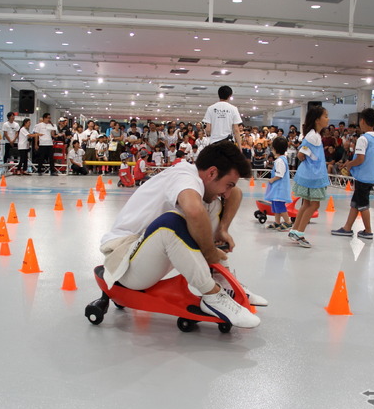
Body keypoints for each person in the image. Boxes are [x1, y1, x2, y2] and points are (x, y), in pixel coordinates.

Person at [99, 141, 264, 328]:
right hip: (125, 263)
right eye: (228, 184)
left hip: (150, 254)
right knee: (170, 223)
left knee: (214, 204)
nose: (227, 192)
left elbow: (235, 194)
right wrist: (209, 252)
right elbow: (193, 211)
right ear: (211, 173)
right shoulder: (185, 177)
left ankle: (224, 283)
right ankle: (212, 295)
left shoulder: (203, 180)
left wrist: (222, 229)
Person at [331, 108, 374, 240]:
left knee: (363, 204)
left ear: (362, 121)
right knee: (356, 202)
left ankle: (368, 230)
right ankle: (347, 227)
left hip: (363, 176)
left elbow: (360, 159)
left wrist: (349, 164)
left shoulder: (363, 139)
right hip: (372, 175)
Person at [289, 105, 330, 248]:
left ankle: (295, 230)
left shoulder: (313, 135)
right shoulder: (313, 137)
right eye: (325, 116)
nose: (327, 119)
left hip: (309, 174)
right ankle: (300, 233)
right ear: (317, 120)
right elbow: (301, 155)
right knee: (314, 204)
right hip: (313, 176)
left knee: (306, 204)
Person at [265, 138, 292, 231]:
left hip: (279, 188)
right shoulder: (281, 159)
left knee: (280, 205)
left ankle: (288, 222)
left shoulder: (280, 161)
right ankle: (277, 222)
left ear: (275, 149)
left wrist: (272, 180)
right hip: (277, 188)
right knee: (275, 204)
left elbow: (279, 175)